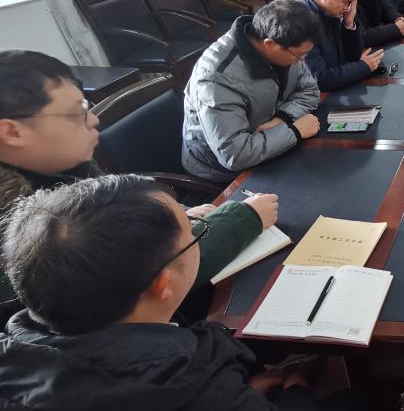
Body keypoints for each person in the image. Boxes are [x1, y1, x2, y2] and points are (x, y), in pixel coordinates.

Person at [0, 175, 367, 411]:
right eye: (195, 232)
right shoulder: (197, 398)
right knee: (357, 408)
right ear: (163, 283)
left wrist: (232, 399)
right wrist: (296, 392)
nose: (198, 231)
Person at [0, 50, 277, 325]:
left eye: (85, 105)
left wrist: (180, 215)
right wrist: (243, 219)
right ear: (12, 132)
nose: (94, 120)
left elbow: (123, 226)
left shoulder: (64, 165)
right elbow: (145, 282)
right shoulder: (24, 233)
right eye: (76, 113)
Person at [182, 0, 321, 182]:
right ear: (270, 44)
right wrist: (294, 131)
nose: (302, 61)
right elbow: (234, 154)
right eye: (300, 55)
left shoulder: (285, 45)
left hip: (269, 144)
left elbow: (309, 90)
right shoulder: (216, 78)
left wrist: (283, 119)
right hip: (221, 172)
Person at [301, 0, 383, 89]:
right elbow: (320, 79)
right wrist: (364, 66)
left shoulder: (328, 11)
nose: (348, 8)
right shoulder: (301, 22)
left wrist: (349, 24)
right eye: (346, 2)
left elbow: (351, 58)